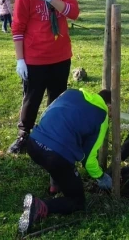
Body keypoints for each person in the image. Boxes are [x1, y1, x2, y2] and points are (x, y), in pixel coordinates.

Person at [8, 0, 80, 154]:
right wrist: (20, 59)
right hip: (35, 58)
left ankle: (52, 135)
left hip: (61, 56)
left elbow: (73, 13)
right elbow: (17, 29)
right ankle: (23, 135)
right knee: (32, 98)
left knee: (57, 100)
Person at [18, 89, 112, 235]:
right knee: (77, 201)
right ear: (110, 106)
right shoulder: (102, 116)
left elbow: (48, 112)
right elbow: (88, 160)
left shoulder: (72, 93)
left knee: (57, 158)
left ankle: (54, 187)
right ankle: (41, 206)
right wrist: (101, 177)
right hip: (56, 156)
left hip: (34, 143)